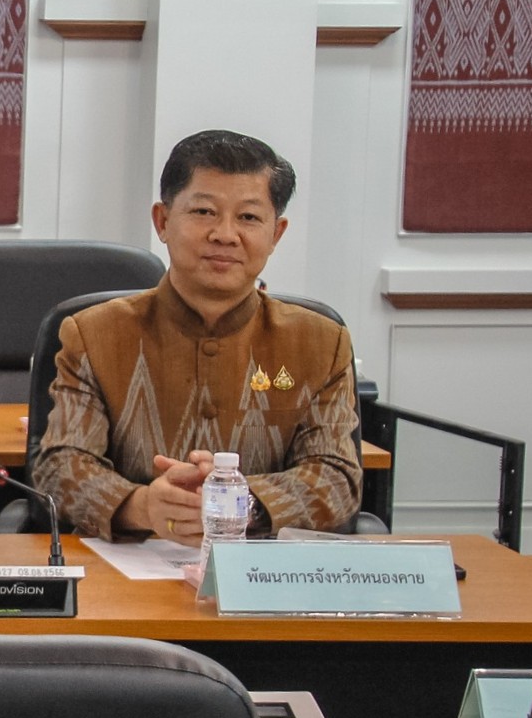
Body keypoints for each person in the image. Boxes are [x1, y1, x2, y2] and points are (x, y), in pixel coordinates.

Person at [32, 129, 361, 544]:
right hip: (127, 574)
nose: (225, 234)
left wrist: (237, 503)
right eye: (204, 212)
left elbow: (336, 479)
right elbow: (61, 468)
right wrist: (144, 505)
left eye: (248, 217)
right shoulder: (93, 333)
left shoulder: (321, 341)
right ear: (163, 221)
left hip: (266, 576)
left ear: (275, 234)